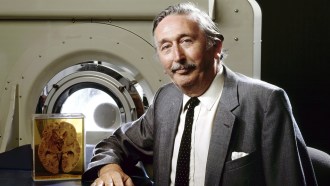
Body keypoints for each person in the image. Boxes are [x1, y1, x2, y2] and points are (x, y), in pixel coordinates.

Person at [82, 2, 317, 186]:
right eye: (166, 47)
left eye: (186, 41)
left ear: (216, 47)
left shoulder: (265, 102)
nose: (177, 57)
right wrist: (109, 169)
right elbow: (114, 143)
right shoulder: (166, 99)